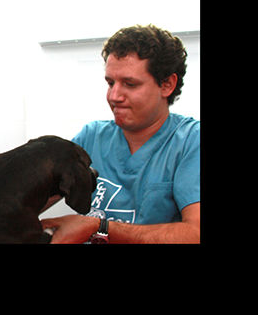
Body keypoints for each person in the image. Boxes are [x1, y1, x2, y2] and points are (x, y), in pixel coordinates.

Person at [41, 24, 200, 243]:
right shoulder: (91, 137)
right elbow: (31, 197)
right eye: (110, 83)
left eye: (130, 84)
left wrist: (98, 227)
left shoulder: (190, 142)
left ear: (167, 85)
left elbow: (195, 233)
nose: (114, 96)